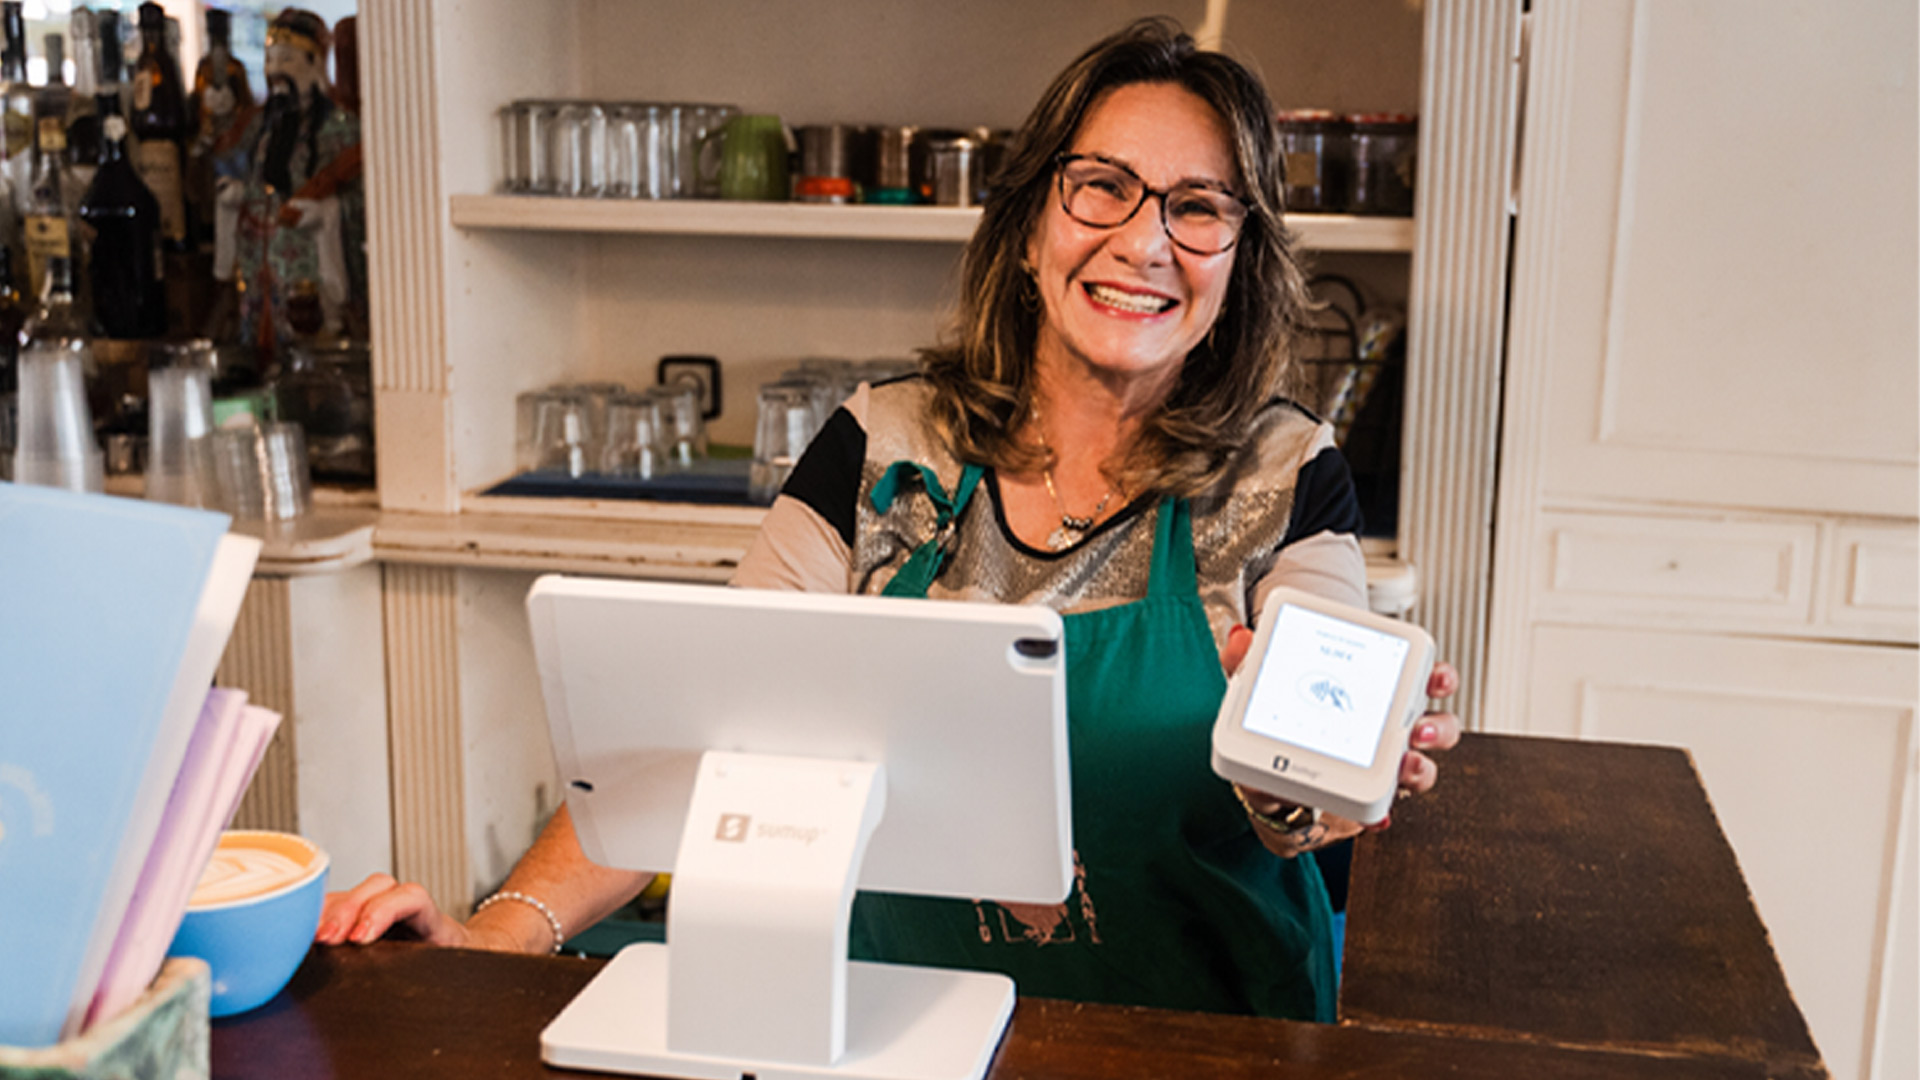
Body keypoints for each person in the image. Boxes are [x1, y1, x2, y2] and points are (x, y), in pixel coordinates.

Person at [317, 18, 1460, 1022]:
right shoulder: (881, 446)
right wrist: (497, 938)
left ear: (1238, 261)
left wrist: (1313, 758)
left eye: (1199, 208)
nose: (1144, 240)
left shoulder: (1282, 469)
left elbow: (1301, 787)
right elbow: (703, 738)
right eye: (1103, 186)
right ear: (1028, 226)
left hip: (1202, 1047)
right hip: (895, 1034)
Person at [212, 8, 364, 348]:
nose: (275, 70)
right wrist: (238, 194)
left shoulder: (343, 130)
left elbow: (366, 205)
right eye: (269, 60)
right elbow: (230, 164)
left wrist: (327, 213)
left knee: (314, 354)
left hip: (310, 279)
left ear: (315, 63)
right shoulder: (260, 126)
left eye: (286, 59)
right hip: (259, 277)